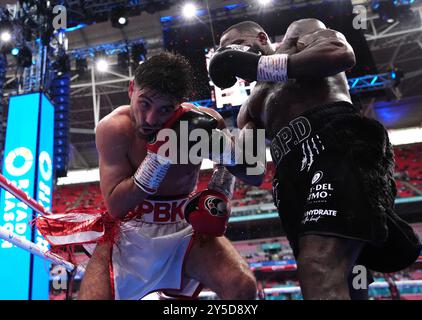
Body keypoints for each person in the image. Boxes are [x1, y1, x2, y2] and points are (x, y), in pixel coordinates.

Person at [209, 19, 421, 300]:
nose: (230, 58)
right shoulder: (249, 107)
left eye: (234, 48)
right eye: (224, 54)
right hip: (292, 176)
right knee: (346, 272)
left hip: (336, 144)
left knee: (318, 263)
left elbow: (340, 53)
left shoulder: (299, 33)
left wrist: (258, 66)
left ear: (261, 37)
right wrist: (209, 145)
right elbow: (252, 168)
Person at [56, 52, 259, 300]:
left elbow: (247, 168)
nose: (151, 118)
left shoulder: (205, 122)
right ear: (132, 89)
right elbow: (117, 206)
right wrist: (159, 157)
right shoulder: (115, 129)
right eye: (144, 103)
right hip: (126, 232)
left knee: (242, 288)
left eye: (165, 109)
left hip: (184, 230)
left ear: (180, 104)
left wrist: (219, 191)